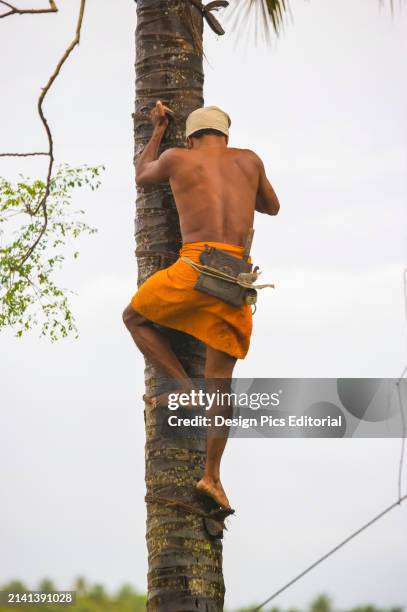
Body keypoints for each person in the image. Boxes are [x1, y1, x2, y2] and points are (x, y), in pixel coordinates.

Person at [123, 100, 280, 509]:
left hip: (194, 268)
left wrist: (157, 129)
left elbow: (142, 174)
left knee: (134, 318)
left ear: (191, 138)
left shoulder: (177, 157)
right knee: (221, 385)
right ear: (226, 136)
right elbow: (272, 206)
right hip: (234, 276)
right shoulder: (249, 160)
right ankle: (212, 476)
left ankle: (183, 388)